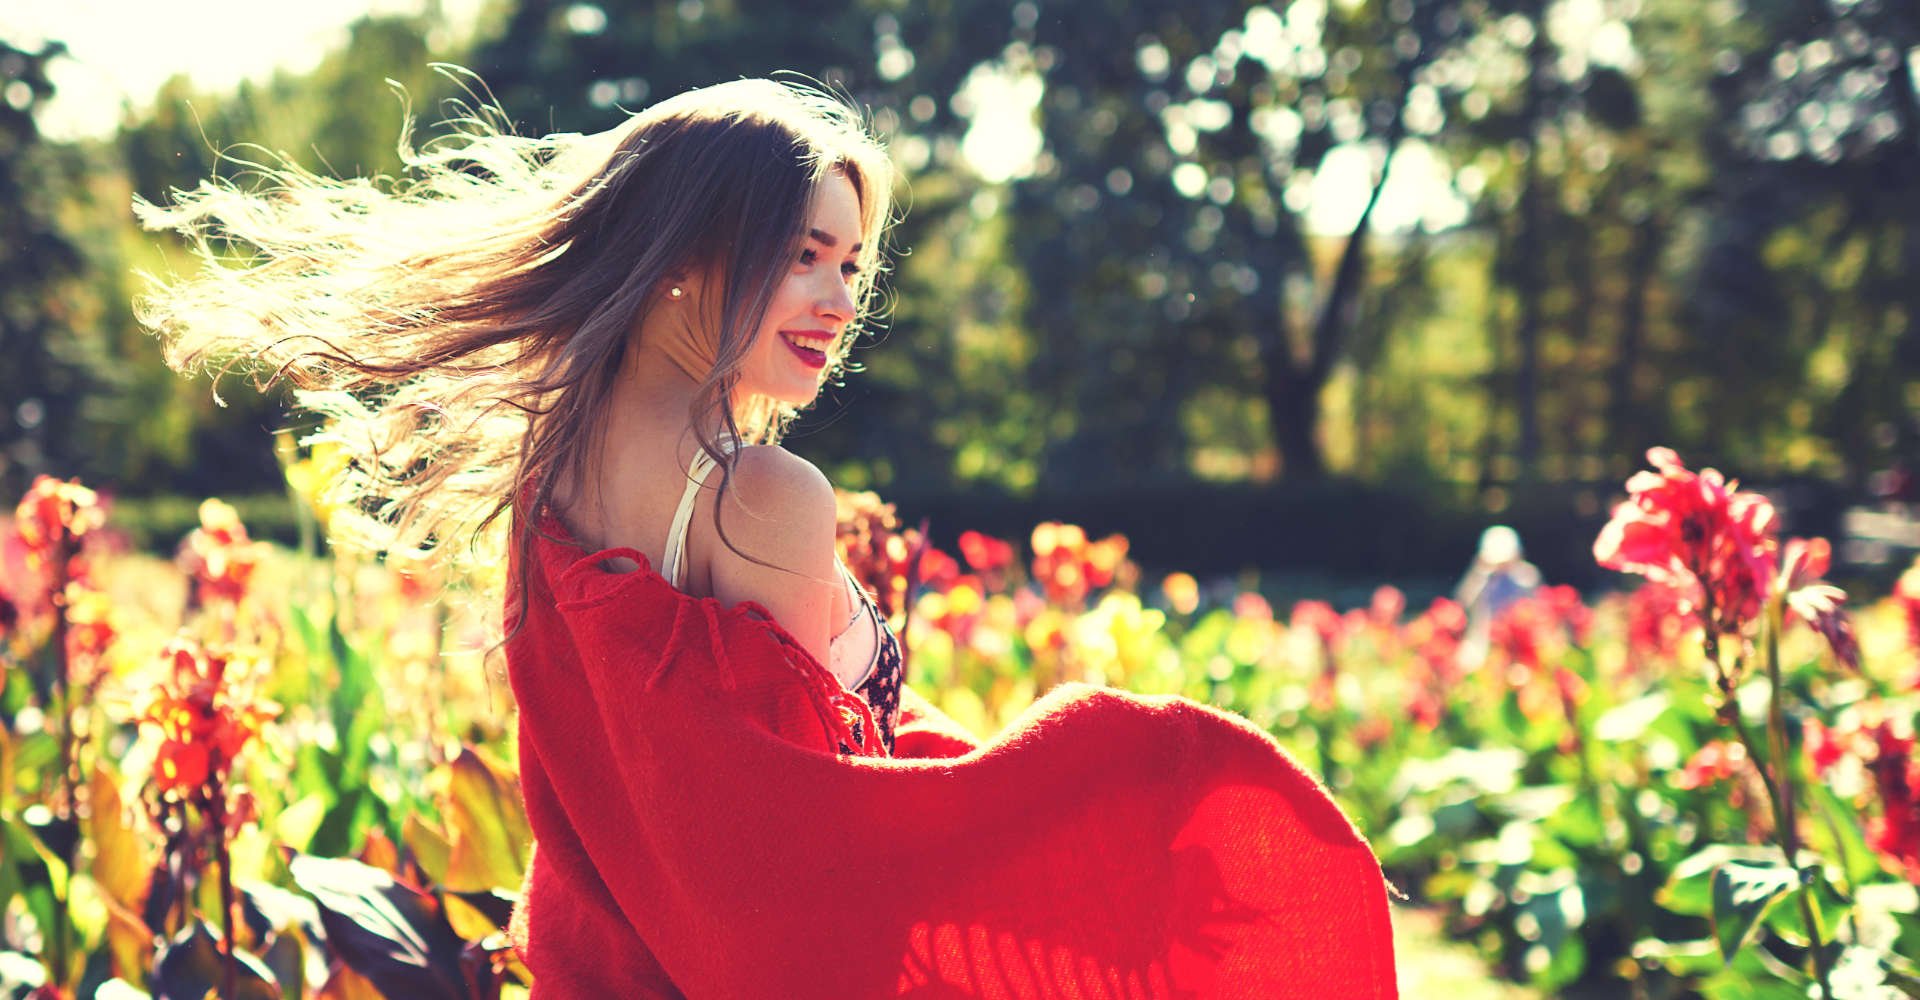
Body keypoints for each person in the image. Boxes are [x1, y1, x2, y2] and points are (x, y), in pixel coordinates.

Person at [137, 76, 1397, 997]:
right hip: (779, 961)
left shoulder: (547, 468)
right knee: (1167, 796)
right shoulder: (764, 498)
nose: (840, 302)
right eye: (804, 258)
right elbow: (848, 767)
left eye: (851, 265)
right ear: (690, 254)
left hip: (604, 961)